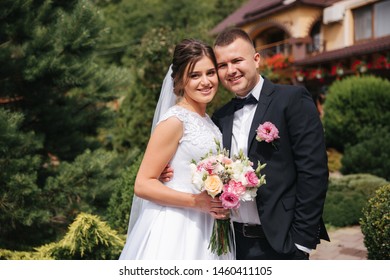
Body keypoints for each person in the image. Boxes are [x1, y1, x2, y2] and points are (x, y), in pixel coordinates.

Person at [162, 28, 330, 260]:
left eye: (237, 60)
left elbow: (314, 172)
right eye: (222, 65)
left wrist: (301, 241)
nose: (231, 71)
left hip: (282, 242)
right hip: (231, 243)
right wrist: (169, 173)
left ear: (256, 59)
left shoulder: (291, 100)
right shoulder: (220, 117)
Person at [119, 38, 234, 260]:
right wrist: (196, 201)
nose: (205, 81)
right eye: (195, 75)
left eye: (210, 72)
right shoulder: (175, 121)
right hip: (178, 224)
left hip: (208, 223)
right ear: (180, 81)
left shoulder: (208, 120)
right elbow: (142, 184)